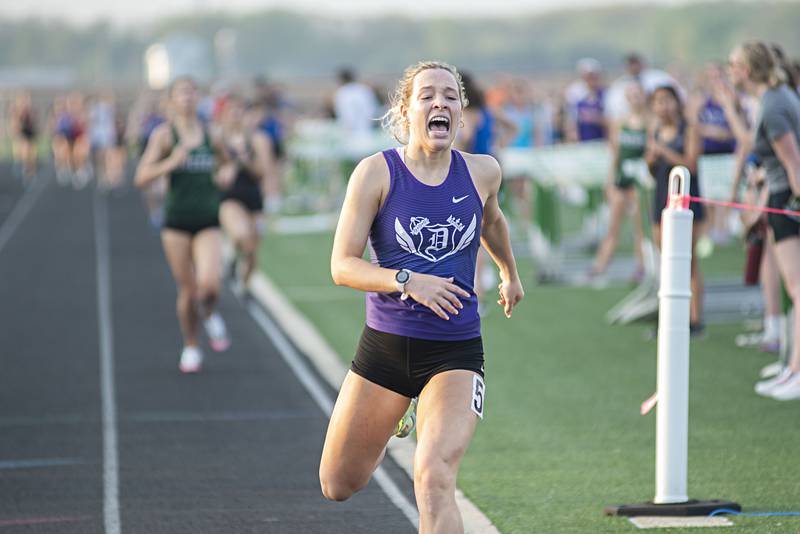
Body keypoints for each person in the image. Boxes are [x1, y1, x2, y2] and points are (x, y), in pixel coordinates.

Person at [319, 61, 524, 533]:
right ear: (406, 109)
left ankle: (425, 405)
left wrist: (508, 272)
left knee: (433, 477)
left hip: (455, 351)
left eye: (450, 96)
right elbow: (342, 266)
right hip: (386, 350)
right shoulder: (376, 173)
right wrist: (409, 280)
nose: (440, 103)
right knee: (338, 483)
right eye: (428, 95)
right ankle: (402, 409)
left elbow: (492, 221)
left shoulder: (483, 171)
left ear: (461, 111)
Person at [134, 76, 233, 373]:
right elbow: (140, 178)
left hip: (207, 219)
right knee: (188, 291)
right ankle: (191, 345)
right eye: (182, 93)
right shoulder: (165, 136)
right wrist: (170, 163)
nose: (188, 97)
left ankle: (211, 312)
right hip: (176, 222)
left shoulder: (210, 133)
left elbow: (226, 162)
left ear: (198, 97)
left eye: (192, 91)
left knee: (209, 286)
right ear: (172, 101)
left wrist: (225, 173)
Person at [728, 42, 800, 400]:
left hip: (788, 198)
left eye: (733, 64)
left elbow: (793, 163)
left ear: (746, 69)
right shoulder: (775, 97)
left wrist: (794, 202)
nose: (729, 71)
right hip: (780, 196)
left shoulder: (773, 104)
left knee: (798, 289)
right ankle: (792, 368)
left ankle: (796, 371)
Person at [646, 84, 706, 335]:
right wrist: (650, 161)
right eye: (658, 101)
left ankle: (695, 319)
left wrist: (664, 152)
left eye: (667, 100)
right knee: (666, 260)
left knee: (687, 260)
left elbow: (691, 165)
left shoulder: (689, 129)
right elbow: (652, 170)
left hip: (686, 201)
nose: (663, 106)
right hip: (661, 198)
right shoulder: (655, 130)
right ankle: (670, 317)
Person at [590, 81, 647, 282]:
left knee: (639, 228)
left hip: (640, 181)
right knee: (613, 225)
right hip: (622, 180)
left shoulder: (650, 122)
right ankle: (600, 264)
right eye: (631, 95)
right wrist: (610, 180)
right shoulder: (621, 123)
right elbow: (615, 153)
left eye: (637, 94)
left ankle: (641, 266)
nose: (634, 99)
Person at [217, 95, 274, 296]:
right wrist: (225, 170)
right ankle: (232, 251)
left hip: (254, 198)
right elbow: (214, 172)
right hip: (230, 197)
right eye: (231, 111)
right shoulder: (219, 139)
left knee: (252, 250)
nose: (236, 116)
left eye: (239, 111)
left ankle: (245, 284)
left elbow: (263, 171)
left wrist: (244, 160)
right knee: (242, 235)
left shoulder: (258, 139)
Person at [564, 58, 607, 142]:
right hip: (582, 140)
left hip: (601, 139)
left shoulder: (605, 94)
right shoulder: (575, 93)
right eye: (588, 76)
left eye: (593, 76)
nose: (591, 79)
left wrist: (595, 118)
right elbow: (570, 119)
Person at [333, 67, 380, 135]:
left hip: (351, 132)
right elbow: (373, 109)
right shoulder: (364, 89)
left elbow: (344, 114)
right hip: (369, 130)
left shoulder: (342, 93)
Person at [9, 91, 38, 181]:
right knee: (23, 148)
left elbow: (34, 124)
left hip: (30, 133)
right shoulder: (16, 111)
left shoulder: (31, 111)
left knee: (32, 153)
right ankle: (20, 163)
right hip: (22, 134)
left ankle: (30, 171)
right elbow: (15, 125)